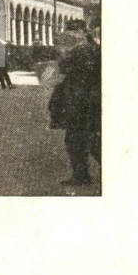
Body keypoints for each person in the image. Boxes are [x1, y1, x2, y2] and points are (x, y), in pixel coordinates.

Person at [49, 20, 101, 186]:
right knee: (89, 139)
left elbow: (59, 70)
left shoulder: (81, 50)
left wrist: (61, 54)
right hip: (88, 100)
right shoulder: (91, 48)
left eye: (69, 32)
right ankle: (82, 174)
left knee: (77, 139)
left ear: (79, 32)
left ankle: (81, 176)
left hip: (78, 101)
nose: (67, 35)